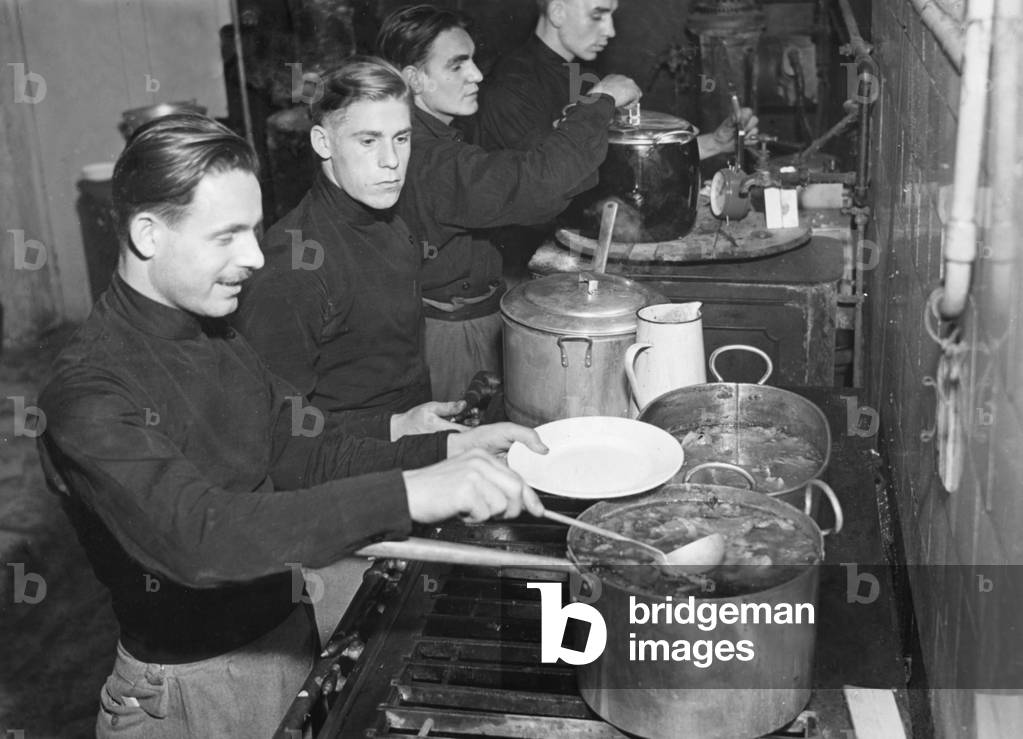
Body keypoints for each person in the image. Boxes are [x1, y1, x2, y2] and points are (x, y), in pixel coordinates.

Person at [36, 113, 546, 739]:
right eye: (226, 236)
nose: (255, 258)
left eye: (253, 231)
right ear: (148, 234)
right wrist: (410, 493)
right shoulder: (87, 391)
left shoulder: (215, 332)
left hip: (285, 638)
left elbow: (307, 452)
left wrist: (446, 448)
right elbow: (200, 536)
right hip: (196, 694)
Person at [375, 4, 642, 401]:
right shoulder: (430, 158)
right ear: (414, 79)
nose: (477, 75)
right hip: (450, 334)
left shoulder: (436, 136)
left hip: (471, 316)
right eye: (457, 65)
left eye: (473, 60)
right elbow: (537, 185)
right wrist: (600, 101)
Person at [234, 57, 462, 441]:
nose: (392, 162)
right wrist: (394, 427)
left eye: (401, 138)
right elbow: (280, 429)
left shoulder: (387, 215)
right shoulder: (293, 266)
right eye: (368, 141)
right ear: (323, 142)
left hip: (409, 435)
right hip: (350, 458)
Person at [476, 0, 758, 157]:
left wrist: (715, 143)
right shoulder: (511, 85)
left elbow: (623, 158)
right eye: (598, 15)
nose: (610, 31)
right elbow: (542, 180)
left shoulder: (583, 76)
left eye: (611, 16)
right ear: (558, 12)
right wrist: (602, 99)